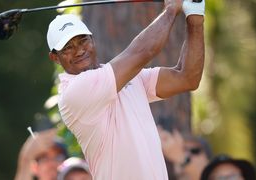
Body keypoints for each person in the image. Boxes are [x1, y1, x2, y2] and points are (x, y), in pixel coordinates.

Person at [47, 0, 205, 179]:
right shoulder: (74, 92)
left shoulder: (124, 77)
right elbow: (143, 52)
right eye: (67, 48)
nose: (78, 51)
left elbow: (187, 78)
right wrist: (171, 9)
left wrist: (195, 16)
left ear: (92, 39)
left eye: (83, 40)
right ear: (55, 58)